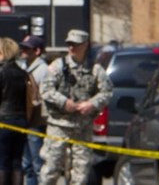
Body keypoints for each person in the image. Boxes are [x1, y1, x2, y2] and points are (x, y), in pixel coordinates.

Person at [38, 29, 112, 185]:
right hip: (59, 126)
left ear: (85, 45)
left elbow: (107, 92)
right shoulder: (58, 66)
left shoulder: (95, 69)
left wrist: (92, 104)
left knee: (80, 173)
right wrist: (63, 102)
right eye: (69, 44)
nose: (71, 48)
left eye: (76, 44)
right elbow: (45, 89)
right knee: (50, 170)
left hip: (82, 127)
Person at [0, 37, 35, 185]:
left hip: (2, 121)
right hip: (20, 121)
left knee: (2, 162)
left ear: (1, 53)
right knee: (17, 162)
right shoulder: (23, 73)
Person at [18, 36, 48, 185]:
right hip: (25, 121)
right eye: (22, 47)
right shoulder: (24, 67)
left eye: (27, 48)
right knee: (27, 165)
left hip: (35, 122)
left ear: (37, 51)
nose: (22, 50)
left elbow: (43, 97)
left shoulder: (43, 70)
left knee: (38, 165)